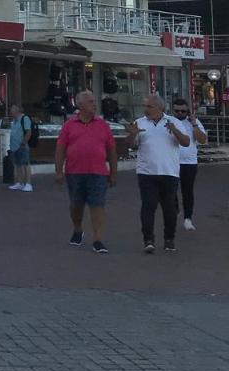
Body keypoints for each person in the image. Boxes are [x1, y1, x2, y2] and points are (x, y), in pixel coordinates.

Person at [54, 90, 116, 254]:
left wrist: (113, 172)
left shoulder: (103, 125)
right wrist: (58, 171)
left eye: (94, 101)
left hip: (98, 172)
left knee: (97, 204)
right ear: (80, 105)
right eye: (90, 101)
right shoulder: (69, 125)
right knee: (76, 204)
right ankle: (77, 229)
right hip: (75, 171)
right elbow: (60, 148)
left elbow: (111, 150)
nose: (94, 104)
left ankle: (97, 238)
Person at [128, 94, 189, 253]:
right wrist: (132, 133)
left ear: (160, 108)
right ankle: (148, 240)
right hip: (146, 173)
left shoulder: (173, 122)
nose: (146, 109)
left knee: (169, 208)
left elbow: (186, 142)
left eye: (149, 106)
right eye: (145, 106)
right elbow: (129, 146)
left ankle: (169, 239)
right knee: (148, 206)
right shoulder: (139, 123)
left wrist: (174, 130)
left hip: (169, 172)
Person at [170, 98, 207, 231]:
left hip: (189, 163)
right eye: (177, 111)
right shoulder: (169, 121)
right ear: (173, 110)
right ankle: (175, 210)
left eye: (183, 111)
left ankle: (188, 219)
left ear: (187, 111)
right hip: (171, 162)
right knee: (170, 190)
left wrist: (194, 124)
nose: (180, 113)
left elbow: (202, 140)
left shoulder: (194, 122)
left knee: (187, 191)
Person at [7, 104, 33, 192]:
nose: (10, 110)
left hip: (22, 145)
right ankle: (19, 182)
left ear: (17, 110)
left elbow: (28, 131)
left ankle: (28, 183)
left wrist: (24, 142)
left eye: (12, 108)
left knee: (25, 164)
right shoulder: (13, 120)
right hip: (14, 146)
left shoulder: (24, 118)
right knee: (17, 165)